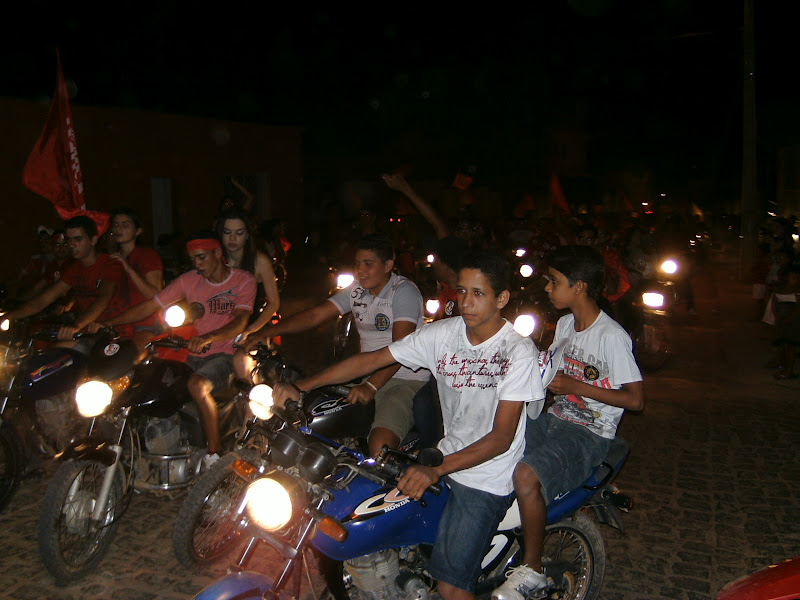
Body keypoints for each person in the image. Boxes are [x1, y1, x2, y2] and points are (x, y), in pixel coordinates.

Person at [272, 250, 546, 600]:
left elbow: (502, 438)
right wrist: (302, 386)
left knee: (450, 587)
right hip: (446, 453)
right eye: (462, 291)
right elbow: (372, 360)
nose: (466, 302)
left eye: (478, 293)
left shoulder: (517, 352)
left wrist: (436, 469)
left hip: (486, 476)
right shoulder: (443, 334)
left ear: (502, 298)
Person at [491, 245, 644, 600]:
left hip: (589, 433)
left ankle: (532, 570)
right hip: (555, 418)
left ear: (579, 287)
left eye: (554, 281)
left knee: (525, 475)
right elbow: (550, 369)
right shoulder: (563, 324)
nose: (547, 287)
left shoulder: (611, 337)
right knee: (492, 443)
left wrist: (577, 387)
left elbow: (636, 400)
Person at [245, 233, 430, 456]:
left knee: (378, 447)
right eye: (357, 264)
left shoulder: (403, 291)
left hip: (405, 379)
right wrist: (266, 331)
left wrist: (371, 386)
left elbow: (401, 350)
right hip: (366, 372)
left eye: (368, 264)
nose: (360, 270)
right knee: (312, 417)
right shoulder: (357, 290)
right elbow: (314, 316)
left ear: (388, 265)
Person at [90, 233, 256, 465]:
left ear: (217, 253)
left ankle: (214, 455)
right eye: (193, 259)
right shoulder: (189, 280)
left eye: (201, 257)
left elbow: (240, 320)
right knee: (148, 379)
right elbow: (150, 305)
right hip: (191, 353)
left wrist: (208, 337)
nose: (197, 264)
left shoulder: (243, 280)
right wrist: (108, 323)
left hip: (225, 354)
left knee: (197, 385)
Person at [5, 216, 130, 345]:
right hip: (87, 332)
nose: (72, 244)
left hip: (115, 333)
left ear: (93, 240)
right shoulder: (74, 268)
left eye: (78, 239)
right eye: (69, 239)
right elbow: (43, 300)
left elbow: (104, 298)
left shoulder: (110, 264)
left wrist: (76, 325)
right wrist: (8, 316)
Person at [217, 207, 282, 382]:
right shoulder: (215, 260)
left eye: (238, 233)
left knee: (242, 363)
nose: (232, 238)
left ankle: (251, 394)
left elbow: (274, 303)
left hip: (251, 325)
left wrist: (251, 330)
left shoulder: (259, 261)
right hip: (218, 325)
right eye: (227, 232)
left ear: (247, 235)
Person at [108, 207, 164, 352]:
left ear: (138, 231)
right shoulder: (112, 259)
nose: (119, 228)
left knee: (130, 356)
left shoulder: (148, 255)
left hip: (145, 324)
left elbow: (155, 295)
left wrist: (129, 268)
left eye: (125, 225)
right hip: (117, 325)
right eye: (115, 225)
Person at [16, 229, 76, 302]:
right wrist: (19, 302)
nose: (61, 248)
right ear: (52, 247)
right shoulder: (52, 265)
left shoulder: (76, 264)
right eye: (57, 244)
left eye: (65, 244)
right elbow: (38, 287)